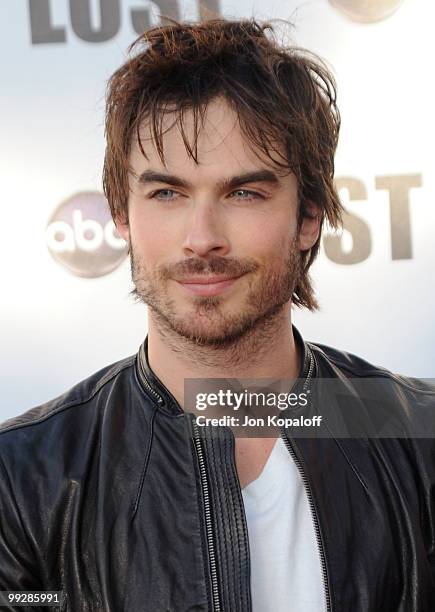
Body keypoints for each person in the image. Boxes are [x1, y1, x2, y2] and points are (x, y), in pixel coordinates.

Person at [0, 16, 434, 612]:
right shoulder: (24, 482)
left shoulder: (422, 440)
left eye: (243, 193)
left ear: (309, 215)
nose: (201, 238)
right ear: (121, 215)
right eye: (167, 193)